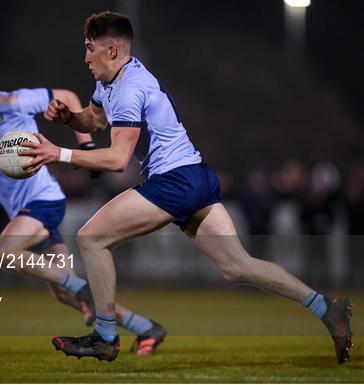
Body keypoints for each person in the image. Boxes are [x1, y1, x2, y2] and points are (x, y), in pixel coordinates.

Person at [20, 12, 354, 363]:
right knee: (237, 266)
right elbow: (97, 118)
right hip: (194, 174)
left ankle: (105, 337)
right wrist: (71, 119)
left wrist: (58, 153)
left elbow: (118, 160)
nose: (86, 57)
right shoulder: (112, 81)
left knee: (91, 239)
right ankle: (326, 307)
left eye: (90, 49)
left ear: (113, 49)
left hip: (175, 181)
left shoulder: (131, 88)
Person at [0, 48, 166, 356]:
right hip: (20, 211)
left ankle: (80, 289)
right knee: (66, 292)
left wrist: (85, 143)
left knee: (3, 252)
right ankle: (145, 327)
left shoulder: (14, 101)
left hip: (44, 199)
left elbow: (68, 96)